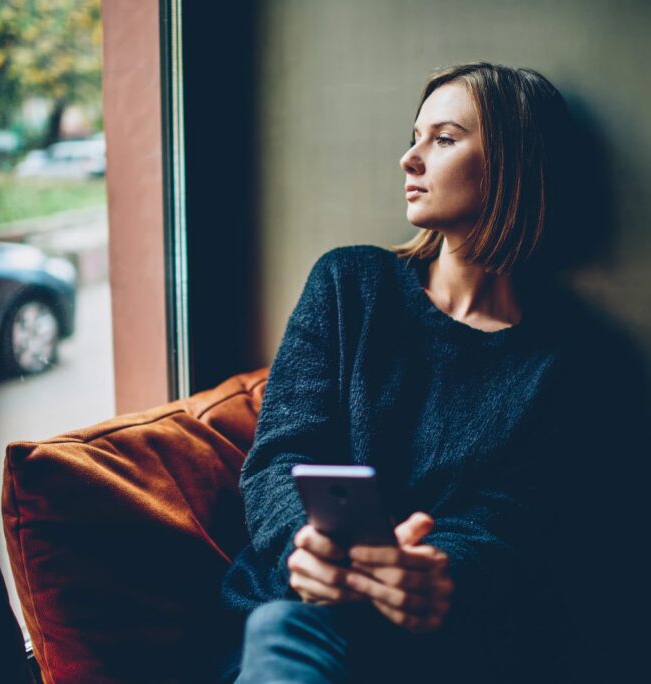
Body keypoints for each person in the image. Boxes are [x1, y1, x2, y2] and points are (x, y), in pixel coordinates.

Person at [213, 62, 583, 682]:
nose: (409, 160)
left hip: (432, 645)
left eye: (443, 138)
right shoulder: (350, 284)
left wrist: (434, 573)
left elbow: (509, 520)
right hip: (295, 609)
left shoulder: (561, 359)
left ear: (515, 163)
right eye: (414, 137)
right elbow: (279, 455)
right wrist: (306, 545)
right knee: (285, 633)